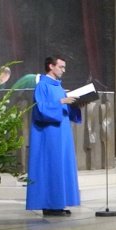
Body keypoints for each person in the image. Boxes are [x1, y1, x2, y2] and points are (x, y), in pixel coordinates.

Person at [25, 56, 81, 216]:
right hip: (49, 134)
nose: (64, 70)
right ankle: (49, 204)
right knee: (51, 166)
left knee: (60, 166)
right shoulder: (42, 86)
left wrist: (76, 105)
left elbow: (65, 108)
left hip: (62, 134)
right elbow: (40, 109)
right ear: (51, 66)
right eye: (61, 67)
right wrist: (61, 102)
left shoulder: (59, 87)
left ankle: (59, 203)